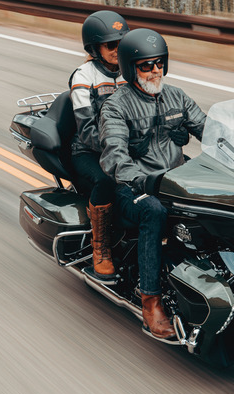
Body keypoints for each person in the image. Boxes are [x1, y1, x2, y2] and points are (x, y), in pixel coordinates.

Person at [99, 29, 206, 339]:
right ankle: (151, 301)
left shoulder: (177, 97)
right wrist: (141, 179)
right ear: (131, 68)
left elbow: (209, 129)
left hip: (174, 179)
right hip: (134, 188)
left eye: (159, 63)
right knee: (154, 212)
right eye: (146, 65)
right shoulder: (116, 106)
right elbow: (115, 156)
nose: (155, 70)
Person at [67, 10, 129, 282]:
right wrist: (117, 149)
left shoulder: (133, 69)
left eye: (121, 43)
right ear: (95, 47)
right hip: (88, 150)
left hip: (126, 147)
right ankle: (100, 249)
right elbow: (86, 127)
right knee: (107, 179)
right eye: (110, 45)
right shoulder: (84, 75)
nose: (117, 50)